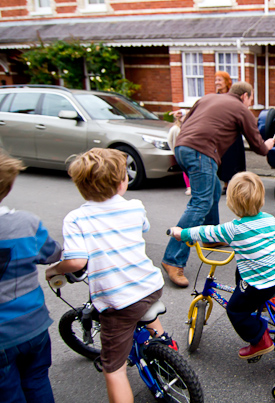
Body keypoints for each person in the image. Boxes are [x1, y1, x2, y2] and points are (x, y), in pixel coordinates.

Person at [45, 148, 177, 403]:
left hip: (118, 300)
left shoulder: (76, 219)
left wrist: (54, 270)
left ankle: (145, 355)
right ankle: (163, 341)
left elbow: (76, 261)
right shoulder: (135, 207)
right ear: (121, 183)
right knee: (142, 308)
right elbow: (143, 226)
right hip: (151, 286)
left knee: (113, 369)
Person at [163, 82, 274, 288]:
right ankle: (173, 260)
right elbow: (258, 146)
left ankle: (211, 237)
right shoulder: (241, 109)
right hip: (201, 152)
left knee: (213, 189)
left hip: (183, 147)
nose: (249, 104)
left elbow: (186, 122)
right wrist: (267, 146)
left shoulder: (207, 98)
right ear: (245, 96)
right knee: (200, 202)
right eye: (250, 99)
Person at [167, 172, 275, 359]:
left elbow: (207, 232)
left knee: (235, 311)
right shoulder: (270, 219)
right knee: (243, 268)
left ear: (231, 202)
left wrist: (181, 233)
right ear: (261, 198)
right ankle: (259, 303)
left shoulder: (233, 229)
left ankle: (259, 339)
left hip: (259, 285)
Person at [0, 153, 61, 403]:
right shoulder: (27, 223)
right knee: (37, 379)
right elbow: (52, 253)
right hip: (33, 324)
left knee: (8, 392)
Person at [215, 71, 246, 195]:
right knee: (223, 160)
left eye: (220, 80)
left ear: (227, 82)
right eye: (216, 80)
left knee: (234, 160)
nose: (217, 82)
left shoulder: (233, 97)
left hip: (233, 134)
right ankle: (226, 184)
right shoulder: (215, 97)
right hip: (220, 134)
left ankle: (235, 185)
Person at [168, 109, 191, 195]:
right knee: (185, 170)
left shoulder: (188, 127)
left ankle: (192, 186)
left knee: (191, 169)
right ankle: (189, 187)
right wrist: (174, 151)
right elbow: (169, 140)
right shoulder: (175, 129)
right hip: (180, 152)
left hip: (189, 151)